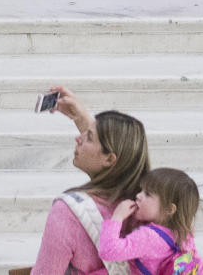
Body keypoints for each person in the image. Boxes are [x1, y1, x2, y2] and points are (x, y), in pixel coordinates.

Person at [31, 87, 150, 274]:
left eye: (89, 137)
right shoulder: (147, 209)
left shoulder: (67, 213)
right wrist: (82, 119)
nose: (78, 138)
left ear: (110, 159)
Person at [98, 168, 203, 275]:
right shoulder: (184, 234)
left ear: (169, 209)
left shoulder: (148, 237)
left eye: (147, 194)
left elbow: (108, 251)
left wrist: (117, 217)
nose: (138, 195)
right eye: (141, 190)